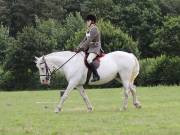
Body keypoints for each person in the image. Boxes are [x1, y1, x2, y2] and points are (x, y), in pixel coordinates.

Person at [76, 14, 102, 82]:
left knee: (89, 59)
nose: (86, 22)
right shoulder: (88, 30)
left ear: (92, 22)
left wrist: (81, 48)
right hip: (90, 48)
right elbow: (84, 40)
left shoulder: (94, 29)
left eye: (88, 21)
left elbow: (88, 40)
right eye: (87, 21)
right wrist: (78, 47)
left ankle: (96, 75)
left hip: (95, 48)